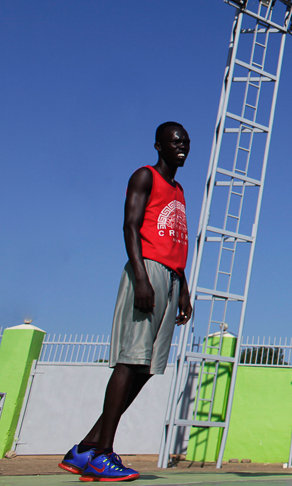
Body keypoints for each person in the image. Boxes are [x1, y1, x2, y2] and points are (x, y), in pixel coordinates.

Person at [59, 122, 192, 482]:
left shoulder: (179, 190)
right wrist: (141, 278)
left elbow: (175, 239)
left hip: (171, 276)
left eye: (186, 141)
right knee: (130, 361)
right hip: (147, 271)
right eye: (175, 141)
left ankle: (86, 448)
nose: (182, 145)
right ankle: (102, 453)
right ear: (158, 145)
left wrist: (183, 287)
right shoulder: (144, 176)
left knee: (146, 369)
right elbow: (130, 227)